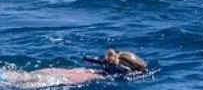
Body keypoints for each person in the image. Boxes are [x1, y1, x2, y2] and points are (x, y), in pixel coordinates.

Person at [0, 49, 147, 87]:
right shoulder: (121, 73)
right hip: (73, 78)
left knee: (20, 75)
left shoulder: (102, 65)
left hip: (71, 72)